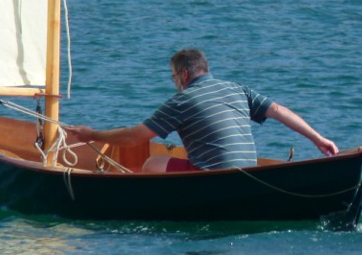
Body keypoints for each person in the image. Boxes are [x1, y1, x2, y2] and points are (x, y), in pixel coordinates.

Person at [66, 48, 339, 172]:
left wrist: (92, 135)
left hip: (214, 178)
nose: (174, 83)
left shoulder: (182, 101)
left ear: (184, 75)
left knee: (152, 163)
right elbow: (279, 110)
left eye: (173, 77)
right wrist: (318, 139)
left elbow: (135, 137)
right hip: (248, 172)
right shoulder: (237, 89)